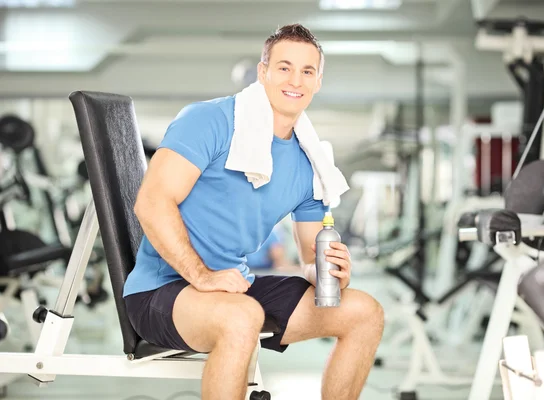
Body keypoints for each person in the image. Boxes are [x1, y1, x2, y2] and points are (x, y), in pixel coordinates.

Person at [123, 23, 385, 400]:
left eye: (307, 71)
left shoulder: (309, 160)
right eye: (283, 67)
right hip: (161, 291)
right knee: (240, 315)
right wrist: (202, 275)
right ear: (263, 72)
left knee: (364, 311)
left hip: (235, 288)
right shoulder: (210, 120)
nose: (295, 79)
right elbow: (151, 201)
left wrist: (332, 272)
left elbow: (312, 256)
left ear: (317, 81)